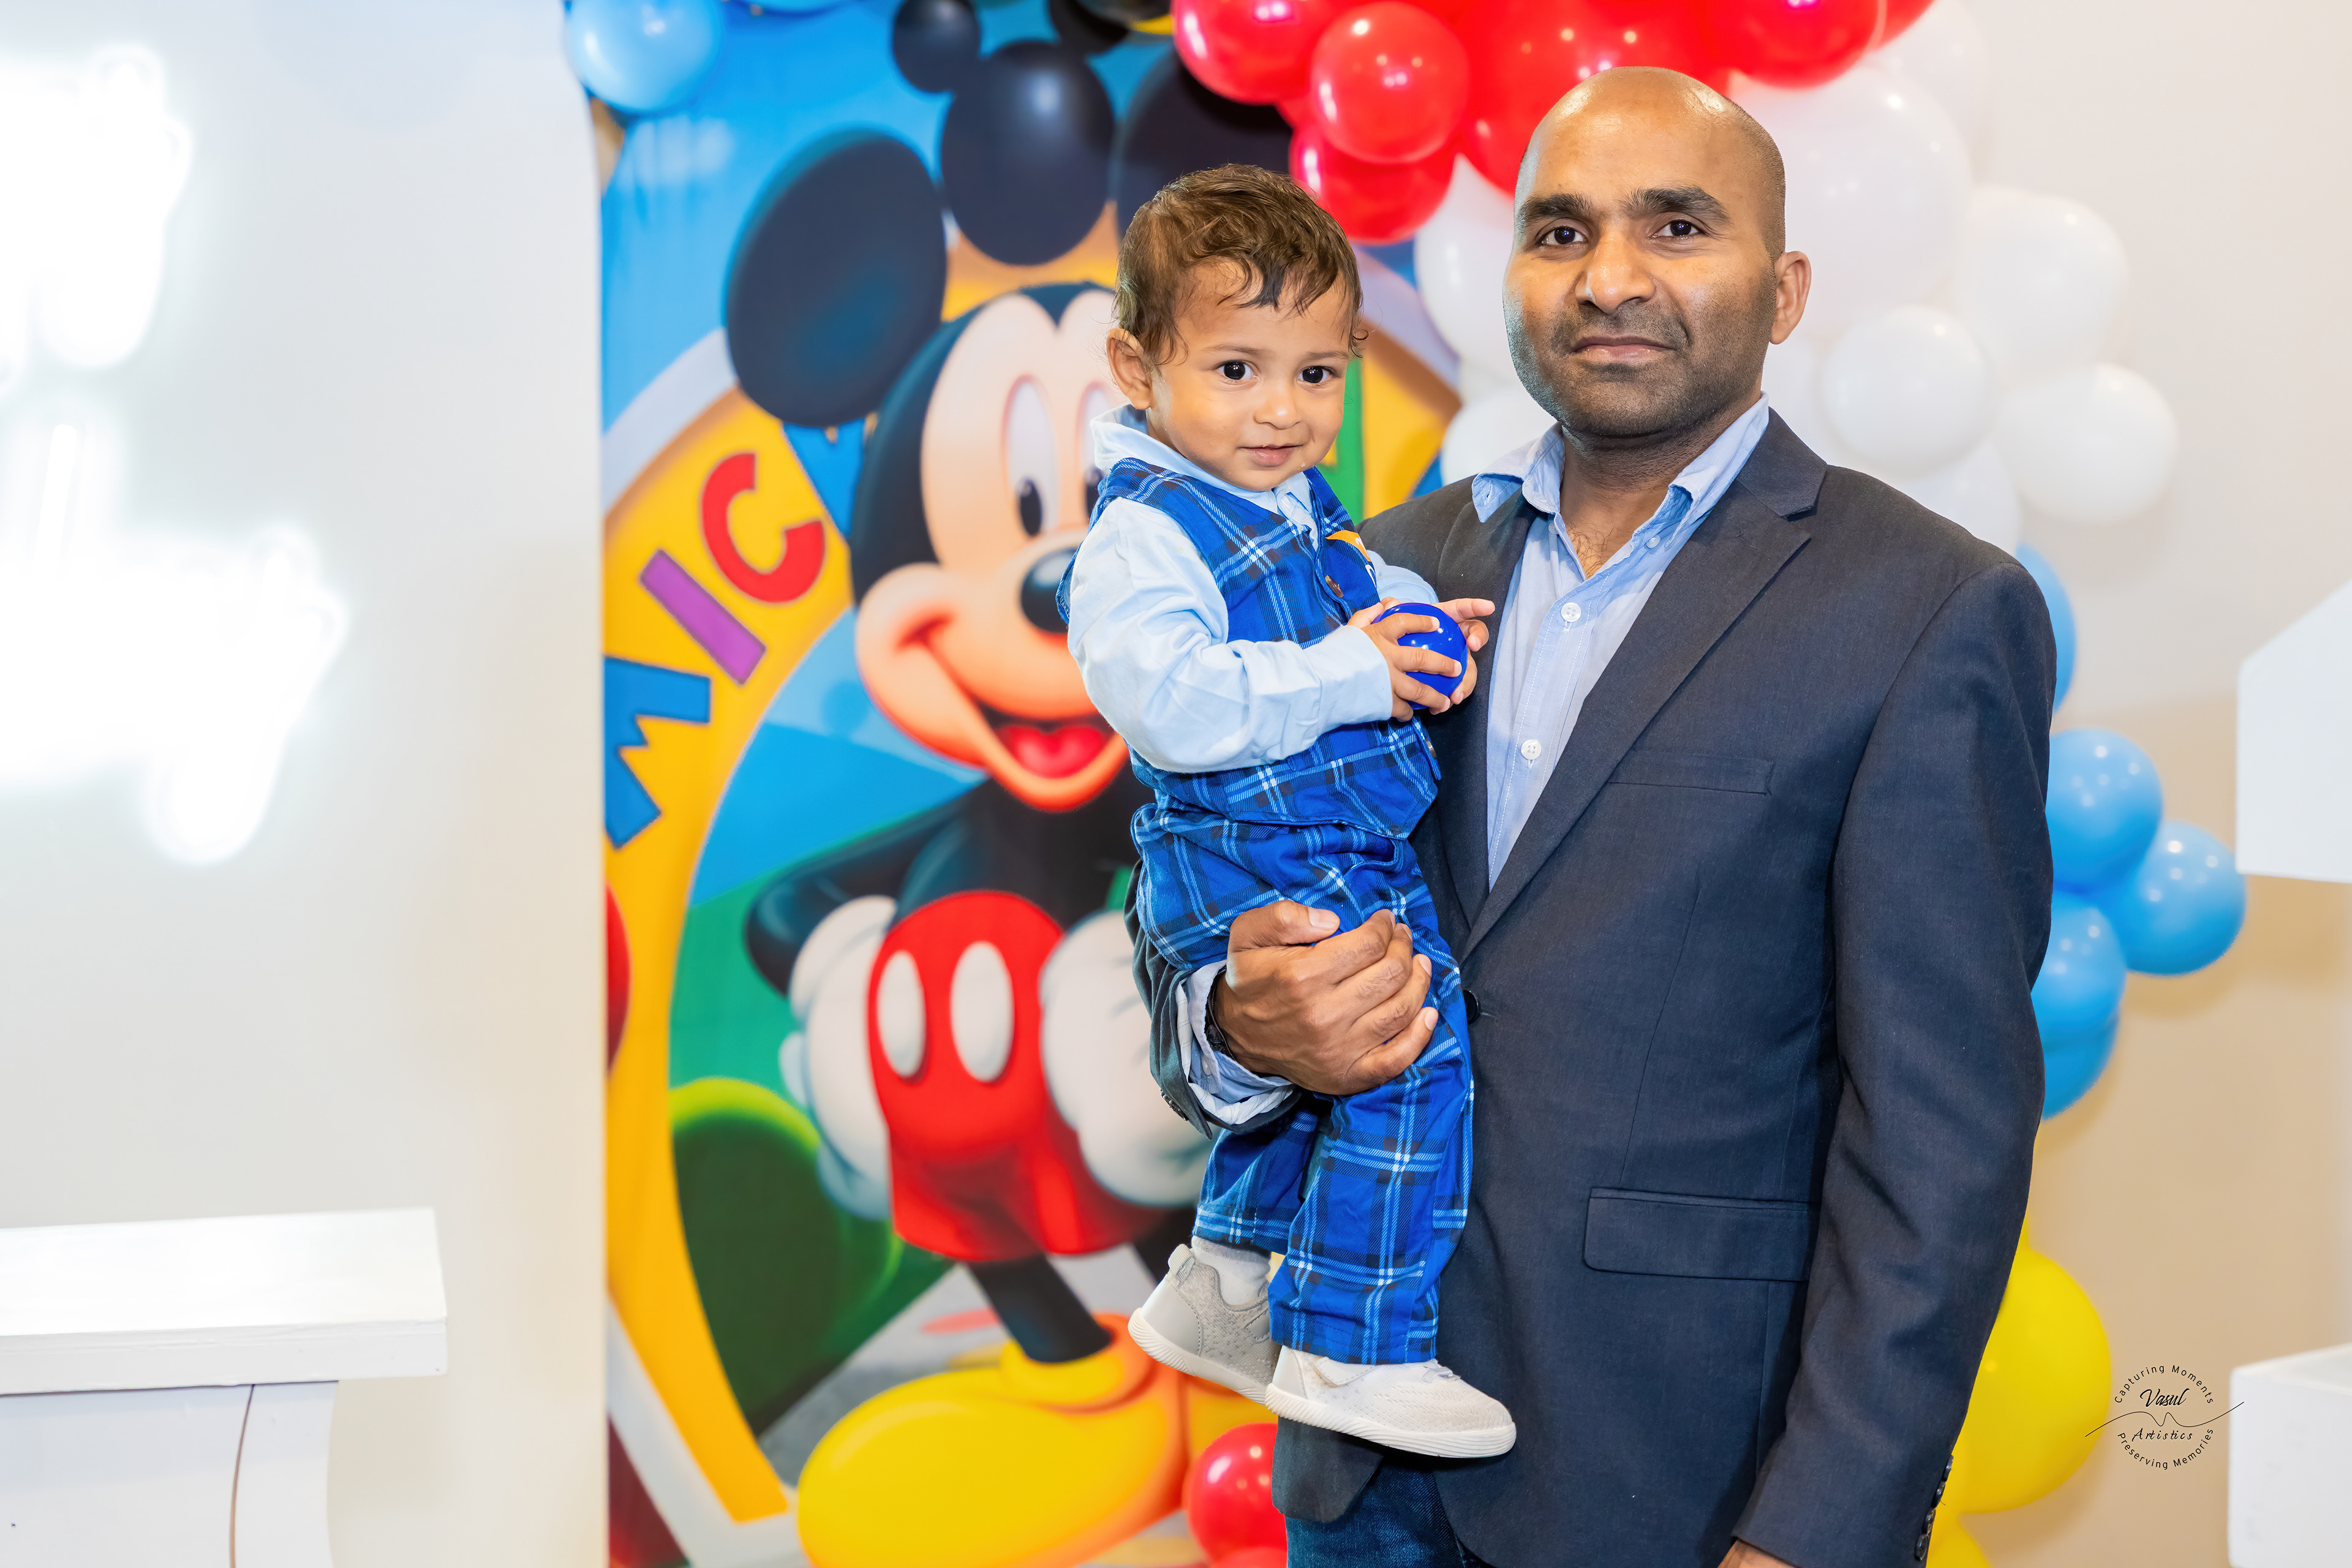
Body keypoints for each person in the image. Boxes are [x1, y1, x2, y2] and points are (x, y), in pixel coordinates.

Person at [1129, 69, 2056, 1568]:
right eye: (1559, 232)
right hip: (1357, 1469)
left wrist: (1818, 1531)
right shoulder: (1371, 576)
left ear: (1786, 288)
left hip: (1685, 1483)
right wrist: (1240, 1024)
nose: (1610, 276)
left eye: (1677, 226)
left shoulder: (1925, 611)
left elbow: (1940, 1151)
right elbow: (1187, 914)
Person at [1060, 165, 1510, 1456]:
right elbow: (1175, 706)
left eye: (1317, 372)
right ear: (1137, 368)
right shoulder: (1145, 534)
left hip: (1305, 835)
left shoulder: (1284, 499)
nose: (1282, 409)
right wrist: (1355, 672)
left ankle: (1224, 1281)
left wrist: (1413, 625)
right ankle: (1356, 1347)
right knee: (1404, 1049)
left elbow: (1342, 591)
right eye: (1236, 369)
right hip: (1252, 844)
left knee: (1327, 1069)